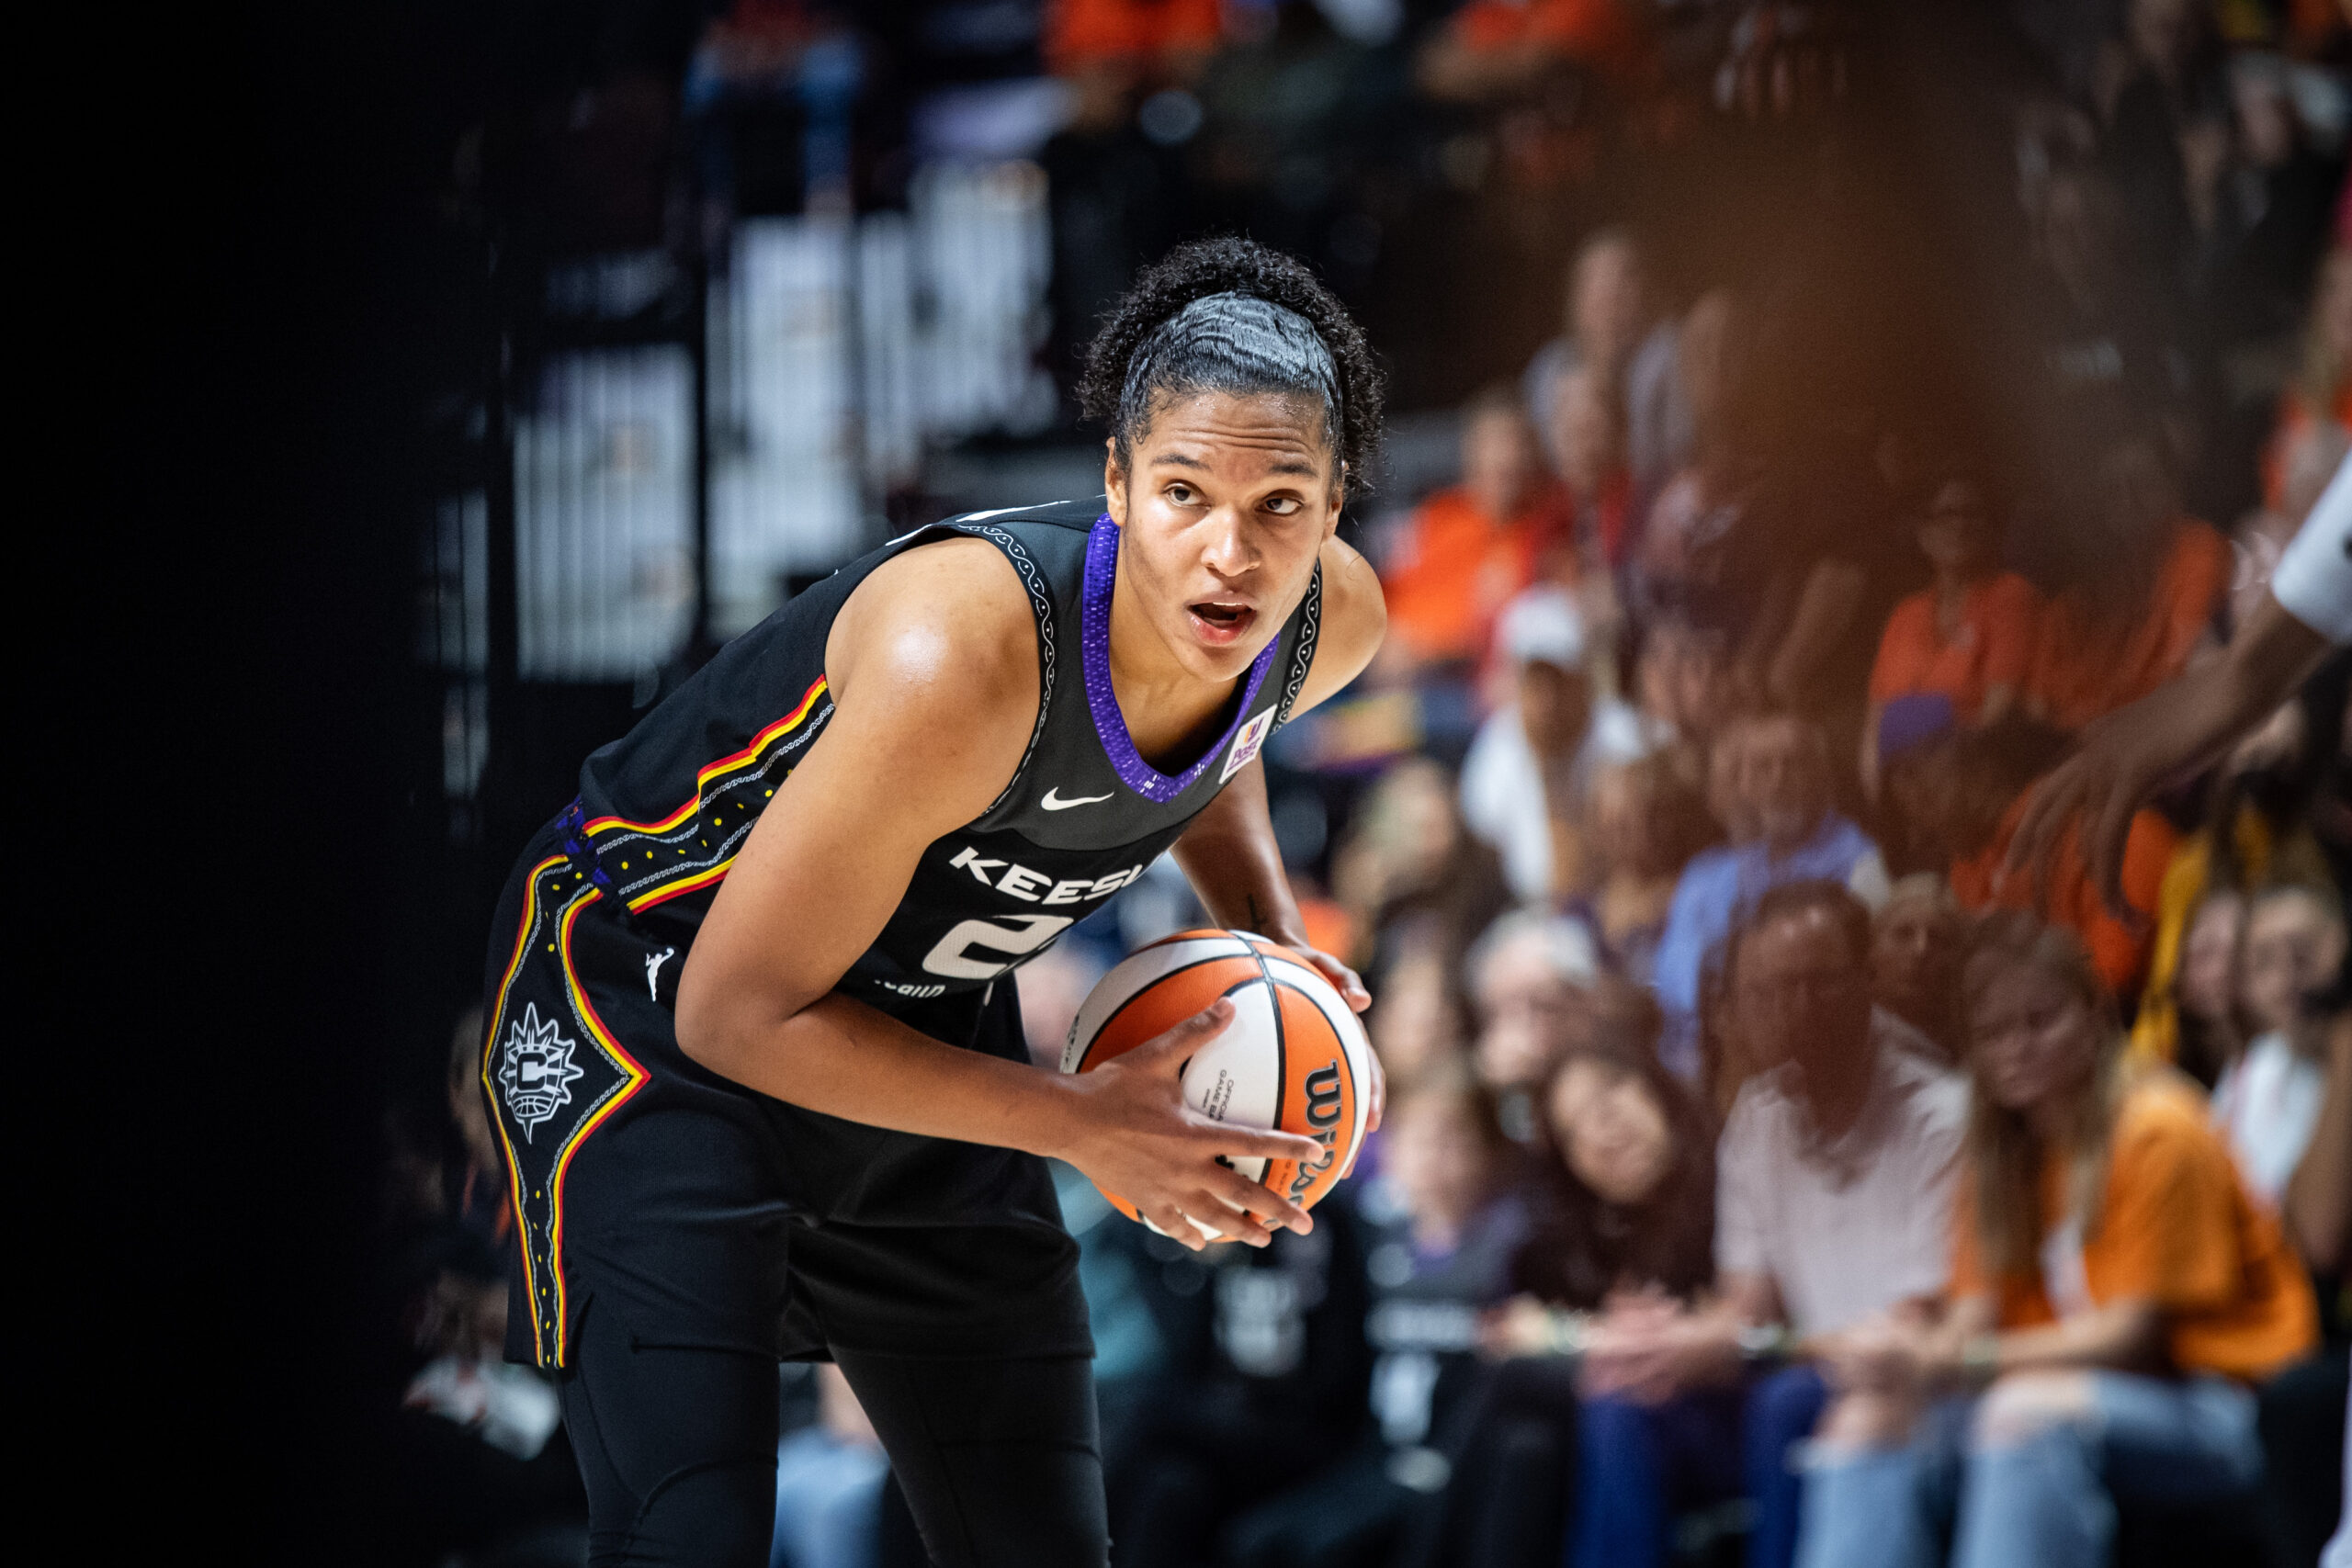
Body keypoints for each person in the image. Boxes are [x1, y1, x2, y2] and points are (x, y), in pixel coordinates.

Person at [475, 237, 1389, 1567]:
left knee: (1038, 1538)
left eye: (1281, 505)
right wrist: (1081, 1125)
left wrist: (1271, 952)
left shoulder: (1327, 624)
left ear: (1336, 502)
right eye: (1186, 491)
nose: (1229, 556)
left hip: (903, 1005)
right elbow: (734, 1010)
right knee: (692, 1533)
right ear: (1117, 482)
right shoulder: (956, 659)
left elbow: (1223, 733)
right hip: (650, 998)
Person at [1793, 915, 2318, 1568]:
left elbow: (2131, 1339)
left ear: (2093, 1012)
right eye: (1993, 1032)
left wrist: (1956, 1363)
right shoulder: (1999, 1157)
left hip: (2220, 1402)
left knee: (2021, 1412)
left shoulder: (2158, 1126)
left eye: (2040, 1021)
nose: (2018, 1046)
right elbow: (1972, 1321)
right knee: (1867, 1419)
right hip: (2068, 1390)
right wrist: (1905, 1350)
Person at [1563, 882, 1964, 1568]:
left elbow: (1919, 1318)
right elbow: (1746, 1305)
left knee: (1783, 1398)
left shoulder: (1942, 1114)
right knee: (1622, 1401)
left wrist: (1744, 1341)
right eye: (1768, 992)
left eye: (1818, 983)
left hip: (1908, 1387)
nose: (1795, 1010)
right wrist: (1667, 1344)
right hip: (1794, 1376)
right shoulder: (1759, 1114)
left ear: (1867, 979)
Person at [2007, 451, 2352, 912]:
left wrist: (2239, 680)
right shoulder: (2089, 597)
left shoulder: (2198, 551)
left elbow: (2206, 663)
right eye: (2114, 497)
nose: (2124, 511)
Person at [1651, 711, 1891, 1079]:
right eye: (1762, 768)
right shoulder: (1719, 871)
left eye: (1793, 765)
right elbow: (1674, 978)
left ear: (1823, 776)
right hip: (1707, 1054)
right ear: (1742, 783)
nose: (1778, 780)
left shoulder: (1858, 861)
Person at [1892, 715, 2177, 999]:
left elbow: (2109, 984)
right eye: (1906, 807)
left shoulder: (2122, 834)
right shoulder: (1966, 872)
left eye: (1926, 793)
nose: (1918, 822)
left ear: (1983, 770)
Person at [1457, 587, 1650, 905]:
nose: (1549, 701)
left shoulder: (1626, 741)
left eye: (1559, 679)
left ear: (1583, 678)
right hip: (1528, 913)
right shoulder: (1497, 747)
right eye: (1536, 681)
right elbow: (1486, 853)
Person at [2025, 434, 2230, 732]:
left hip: (2167, 732)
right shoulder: (2086, 597)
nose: (2128, 500)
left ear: (2173, 489)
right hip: (2089, 743)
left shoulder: (2199, 549)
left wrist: (2095, 712)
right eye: (2113, 491)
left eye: (2141, 484)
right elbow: (2038, 709)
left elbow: (2177, 668)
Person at [1861, 469, 2043, 799]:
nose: (1961, 525)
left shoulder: (2009, 595)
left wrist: (1940, 783)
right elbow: (1876, 722)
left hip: (1973, 782)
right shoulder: (1906, 613)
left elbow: (1998, 713)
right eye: (1947, 514)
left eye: (1973, 513)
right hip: (1906, 787)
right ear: (1924, 533)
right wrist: (1880, 795)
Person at [1376, 385, 1552, 675]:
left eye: (1516, 443)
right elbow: (1386, 607)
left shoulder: (1541, 532)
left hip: (1464, 682)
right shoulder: (1437, 517)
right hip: (1397, 676)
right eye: (1493, 443)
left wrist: (1426, 652)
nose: (1506, 457)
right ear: (1472, 451)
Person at [2214, 885, 2349, 1205]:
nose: (2285, 976)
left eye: (2302, 953)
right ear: (2246, 986)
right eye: (2264, 962)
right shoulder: (2244, 1077)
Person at [1568, 752, 1718, 987]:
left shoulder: (1695, 894)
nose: (1616, 839)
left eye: (1627, 825)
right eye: (1608, 826)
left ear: (1662, 821)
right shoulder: (1581, 909)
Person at [1466, 908, 1602, 1140]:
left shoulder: (1619, 1085)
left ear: (1587, 1004)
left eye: (1544, 1007)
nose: (1527, 1031)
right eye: (1506, 1012)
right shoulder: (1478, 1096)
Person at [1871, 875, 1967, 1064]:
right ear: (1872, 950)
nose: (1921, 949)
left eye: (1937, 937)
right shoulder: (1855, 1034)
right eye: (1903, 934)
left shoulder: (1970, 1041)